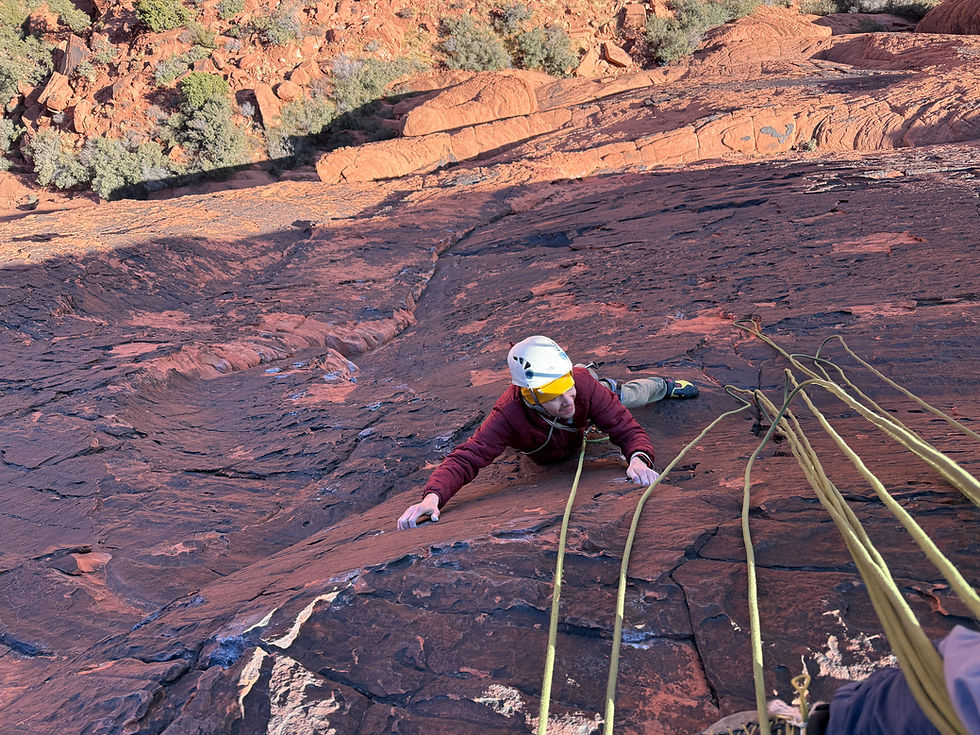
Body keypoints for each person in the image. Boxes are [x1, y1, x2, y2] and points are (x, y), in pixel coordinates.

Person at [396, 335, 699, 529]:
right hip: (569, 413)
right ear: (530, 396)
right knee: (586, 393)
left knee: (622, 397)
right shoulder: (509, 413)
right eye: (554, 396)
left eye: (566, 391)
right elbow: (468, 457)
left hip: (589, 390)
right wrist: (433, 497)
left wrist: (637, 458)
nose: (567, 402)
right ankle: (590, 377)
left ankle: (663, 385)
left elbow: (626, 428)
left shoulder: (579, 388)